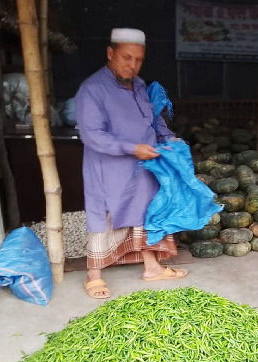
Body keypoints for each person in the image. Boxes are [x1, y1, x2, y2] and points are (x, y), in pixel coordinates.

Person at [75, 28, 187, 300]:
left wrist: (167, 137)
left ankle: (151, 267)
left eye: (138, 60)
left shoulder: (139, 85)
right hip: (109, 170)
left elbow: (152, 120)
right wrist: (131, 148)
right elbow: (92, 135)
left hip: (143, 167)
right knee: (105, 217)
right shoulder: (91, 90)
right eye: (126, 58)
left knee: (143, 215)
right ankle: (94, 275)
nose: (132, 65)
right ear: (110, 53)